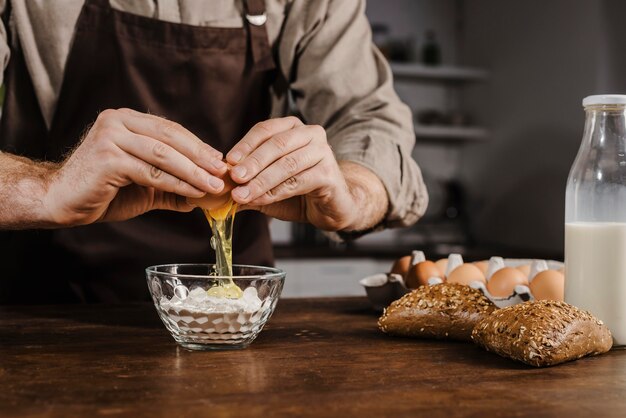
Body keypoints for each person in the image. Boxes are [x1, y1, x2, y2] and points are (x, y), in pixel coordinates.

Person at [0, 0, 427, 303]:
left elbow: (370, 118)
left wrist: (352, 192)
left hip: (234, 311)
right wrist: (45, 187)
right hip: (44, 305)